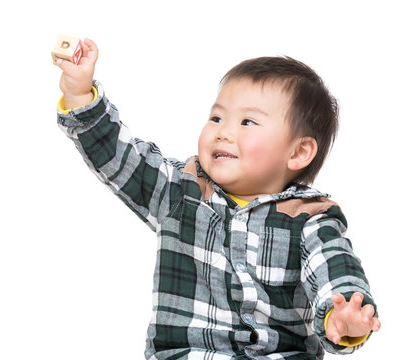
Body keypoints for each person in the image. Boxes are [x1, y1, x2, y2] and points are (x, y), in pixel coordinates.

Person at [55, 38, 380, 360]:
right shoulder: (180, 191)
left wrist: (346, 315)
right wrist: (81, 94)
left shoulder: (309, 217)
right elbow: (120, 157)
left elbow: (334, 268)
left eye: (247, 122)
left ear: (298, 152)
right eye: (216, 118)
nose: (224, 132)